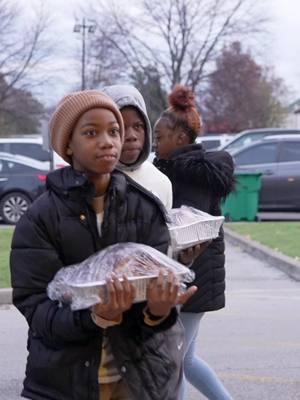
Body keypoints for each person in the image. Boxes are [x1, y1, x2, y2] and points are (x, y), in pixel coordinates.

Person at [10, 89, 197, 400]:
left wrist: (159, 311)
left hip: (136, 385)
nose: (108, 141)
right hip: (62, 386)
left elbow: (150, 323)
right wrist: (97, 315)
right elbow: (38, 312)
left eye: (114, 131)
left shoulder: (145, 208)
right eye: (91, 132)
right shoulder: (40, 218)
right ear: (67, 144)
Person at [153, 84, 235, 400]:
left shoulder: (188, 175)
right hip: (193, 277)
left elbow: (188, 229)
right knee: (184, 359)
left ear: (181, 139)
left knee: (175, 362)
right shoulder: (177, 169)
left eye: (160, 138)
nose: (155, 144)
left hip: (194, 278)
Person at [102, 84, 172, 210]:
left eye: (138, 126)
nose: (131, 136)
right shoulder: (91, 183)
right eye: (120, 128)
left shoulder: (161, 182)